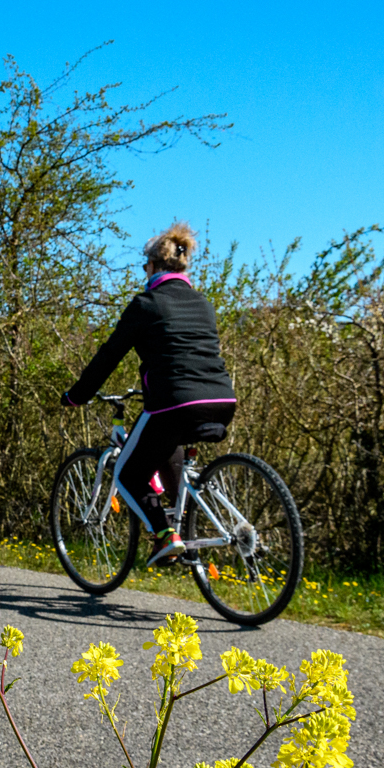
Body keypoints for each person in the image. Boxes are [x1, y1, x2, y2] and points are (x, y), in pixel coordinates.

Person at [62, 222, 236, 564]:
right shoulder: (204, 304)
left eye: (146, 266)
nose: (145, 272)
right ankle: (182, 526)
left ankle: (164, 535)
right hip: (222, 399)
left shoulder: (146, 304)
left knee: (127, 473)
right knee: (163, 444)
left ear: (154, 266)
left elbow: (108, 356)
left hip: (173, 402)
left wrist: (77, 395)